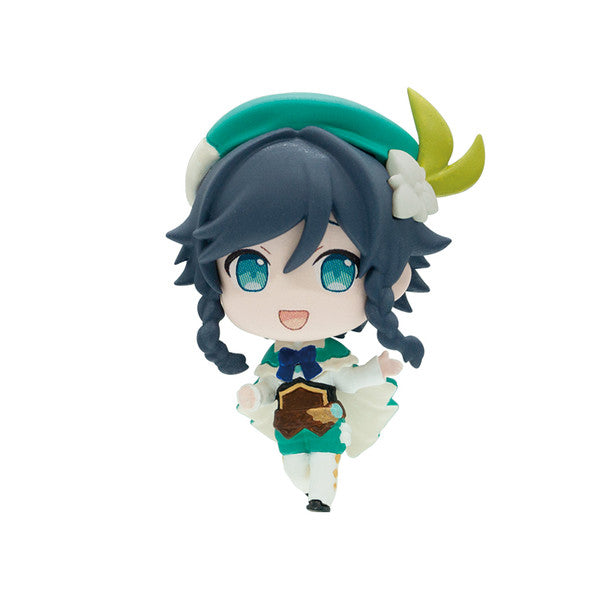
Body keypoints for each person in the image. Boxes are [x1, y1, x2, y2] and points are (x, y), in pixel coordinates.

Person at [167, 89, 484, 511]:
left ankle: (321, 494)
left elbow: (347, 381)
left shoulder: (328, 359)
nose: (294, 294)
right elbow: (265, 388)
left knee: (321, 465)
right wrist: (253, 399)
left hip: (327, 422)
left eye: (336, 269)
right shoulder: (274, 362)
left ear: (394, 274)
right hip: (287, 426)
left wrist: (377, 370)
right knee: (293, 468)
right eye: (251, 269)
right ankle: (312, 490)